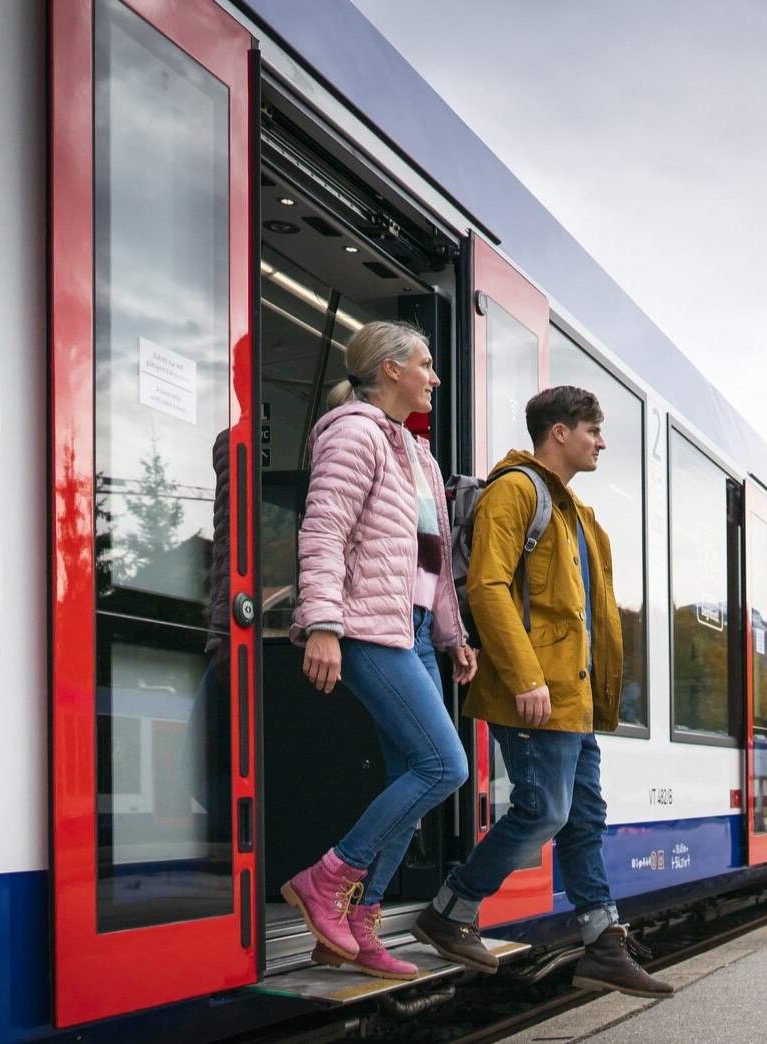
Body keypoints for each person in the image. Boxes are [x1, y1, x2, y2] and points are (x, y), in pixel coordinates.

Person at [412, 386, 672, 999]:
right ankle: (450, 909)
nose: (601, 441)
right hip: (535, 693)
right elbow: (488, 588)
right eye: (593, 429)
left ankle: (602, 945)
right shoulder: (517, 491)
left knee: (584, 819)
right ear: (559, 431)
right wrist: (527, 676)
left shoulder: (576, 515)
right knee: (545, 810)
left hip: (570, 699)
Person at [283, 320, 477, 981]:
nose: (435, 376)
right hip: (366, 627)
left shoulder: (418, 456)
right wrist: (324, 624)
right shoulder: (355, 432)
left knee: (413, 777)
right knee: (443, 767)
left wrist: (451, 636)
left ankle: (357, 929)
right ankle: (327, 879)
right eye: (426, 363)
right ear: (390, 370)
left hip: (413, 630)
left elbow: (434, 562)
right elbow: (325, 529)